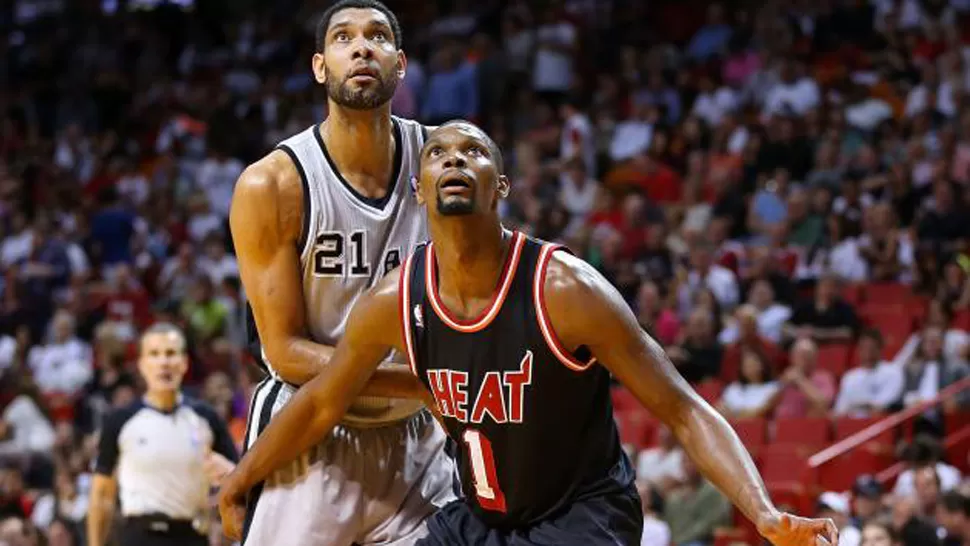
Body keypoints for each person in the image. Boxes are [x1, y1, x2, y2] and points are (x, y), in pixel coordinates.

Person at [218, 121, 839, 546]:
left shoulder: (566, 290)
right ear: (418, 190)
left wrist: (764, 514)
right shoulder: (395, 299)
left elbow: (682, 408)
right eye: (438, 153)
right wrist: (242, 478)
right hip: (483, 520)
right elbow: (323, 402)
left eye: (473, 152)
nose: (454, 159)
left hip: (583, 516)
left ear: (501, 186)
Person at [228, 0, 454, 544]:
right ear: (319, 66)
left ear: (400, 64)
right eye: (344, 38)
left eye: (377, 37)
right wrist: (419, 381)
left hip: (418, 441)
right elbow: (285, 352)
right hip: (309, 430)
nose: (362, 48)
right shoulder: (272, 184)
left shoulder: (444, 163)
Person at [87, 323, 238, 546]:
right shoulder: (120, 421)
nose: (163, 362)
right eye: (154, 354)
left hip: (192, 535)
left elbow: (238, 478)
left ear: (184, 362)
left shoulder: (206, 418)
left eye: (170, 353)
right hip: (139, 537)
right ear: (142, 364)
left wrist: (227, 477)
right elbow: (101, 495)